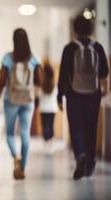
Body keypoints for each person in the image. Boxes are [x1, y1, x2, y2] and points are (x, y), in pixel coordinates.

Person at [57, 15, 109, 180]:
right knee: (91, 127)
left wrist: (59, 95)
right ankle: (91, 160)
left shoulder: (69, 48)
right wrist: (104, 90)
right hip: (93, 94)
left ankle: (80, 156)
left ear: (75, 30)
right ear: (91, 30)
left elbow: (63, 75)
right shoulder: (98, 48)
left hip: (73, 94)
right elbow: (104, 72)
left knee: (76, 126)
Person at [0, 28, 42, 180]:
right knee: (25, 133)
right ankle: (23, 167)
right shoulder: (34, 58)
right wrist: (37, 99)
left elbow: (1, 82)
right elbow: (39, 81)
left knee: (9, 133)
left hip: (11, 99)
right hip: (28, 100)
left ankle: (16, 157)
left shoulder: (8, 58)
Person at [39, 61, 58, 154]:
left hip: (43, 108)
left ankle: (45, 143)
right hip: (52, 108)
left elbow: (39, 95)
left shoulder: (42, 83)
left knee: (45, 126)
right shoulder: (54, 83)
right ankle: (50, 143)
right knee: (51, 125)